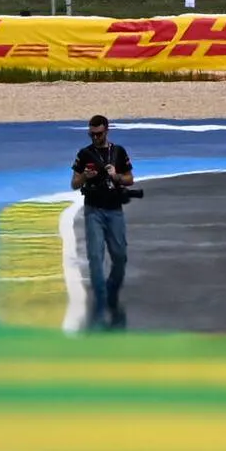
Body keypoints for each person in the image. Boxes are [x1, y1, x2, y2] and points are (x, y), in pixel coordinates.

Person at [71, 113, 138, 330]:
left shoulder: (118, 152)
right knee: (95, 256)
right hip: (93, 211)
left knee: (120, 255)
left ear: (106, 131)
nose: (95, 138)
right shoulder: (84, 154)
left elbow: (130, 179)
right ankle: (100, 303)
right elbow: (74, 183)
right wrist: (85, 177)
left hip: (114, 211)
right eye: (91, 134)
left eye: (98, 134)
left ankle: (111, 291)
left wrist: (117, 176)